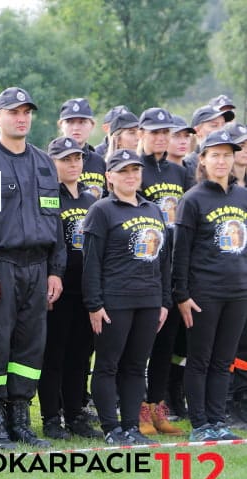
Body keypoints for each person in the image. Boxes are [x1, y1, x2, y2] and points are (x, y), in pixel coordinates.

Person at [0, 87, 65, 450]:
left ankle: (22, 419)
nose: (22, 118)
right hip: (1, 268)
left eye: (27, 112)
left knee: (29, 347)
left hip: (38, 267)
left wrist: (56, 269)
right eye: (14, 112)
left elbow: (54, 220)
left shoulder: (42, 162)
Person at [82, 149, 170, 445]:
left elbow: (163, 261)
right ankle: (111, 429)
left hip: (149, 300)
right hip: (115, 301)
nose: (131, 176)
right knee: (108, 365)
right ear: (110, 176)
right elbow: (91, 261)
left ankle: (131, 427)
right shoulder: (102, 210)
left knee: (136, 366)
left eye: (135, 170)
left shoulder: (153, 209)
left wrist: (164, 301)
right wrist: (94, 304)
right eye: (123, 171)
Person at [173, 130, 247, 441]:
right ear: (202, 159)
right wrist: (181, 295)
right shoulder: (192, 199)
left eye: (227, 155)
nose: (221, 160)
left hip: (238, 292)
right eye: (215, 155)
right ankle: (200, 423)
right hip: (203, 293)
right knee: (200, 359)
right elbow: (181, 252)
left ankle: (217, 420)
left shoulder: (243, 196)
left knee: (224, 360)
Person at [37, 137, 101, 440]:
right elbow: (47, 244)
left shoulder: (91, 201)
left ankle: (76, 414)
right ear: (53, 163)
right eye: (66, 160)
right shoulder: (48, 197)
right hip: (58, 289)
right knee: (55, 355)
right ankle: (52, 416)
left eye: (77, 159)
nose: (73, 164)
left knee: (80, 355)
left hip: (85, 290)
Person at [134, 108, 188, 437]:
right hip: (142, 265)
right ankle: (137, 408)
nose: (161, 137)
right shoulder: (133, 169)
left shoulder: (180, 172)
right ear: (141, 134)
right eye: (154, 132)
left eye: (165, 132)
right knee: (140, 346)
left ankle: (158, 407)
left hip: (172, 264)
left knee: (165, 345)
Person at [58, 98, 106, 199]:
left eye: (82, 122)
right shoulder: (51, 161)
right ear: (61, 125)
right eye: (70, 122)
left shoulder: (99, 161)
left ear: (92, 125)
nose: (76, 128)